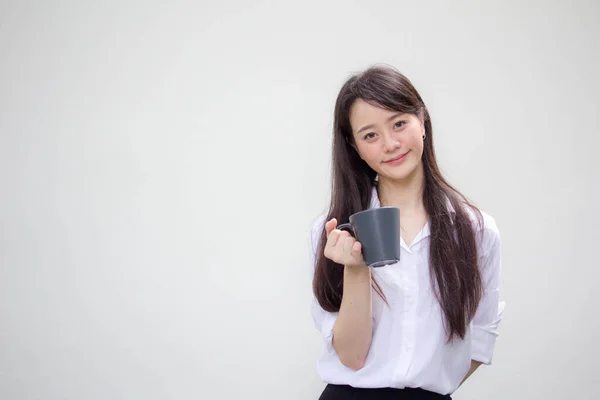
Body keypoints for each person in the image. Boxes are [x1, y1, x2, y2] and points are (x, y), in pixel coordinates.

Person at [309, 65, 504, 400]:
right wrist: (356, 268)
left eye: (399, 123)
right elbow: (352, 357)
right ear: (354, 147)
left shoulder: (475, 229)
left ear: (422, 120)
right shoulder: (334, 231)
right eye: (370, 135)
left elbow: (480, 339)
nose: (391, 144)